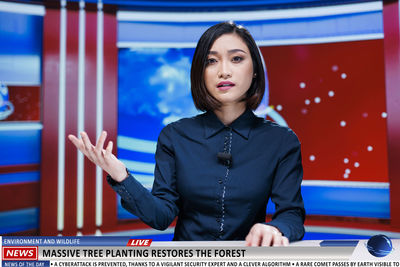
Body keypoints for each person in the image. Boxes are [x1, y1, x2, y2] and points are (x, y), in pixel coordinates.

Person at [69, 21, 305, 246]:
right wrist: (122, 177)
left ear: (254, 70)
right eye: (211, 61)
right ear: (200, 73)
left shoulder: (282, 141)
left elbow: (292, 215)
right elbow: (161, 216)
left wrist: (275, 228)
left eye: (236, 59)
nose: (224, 71)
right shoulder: (174, 136)